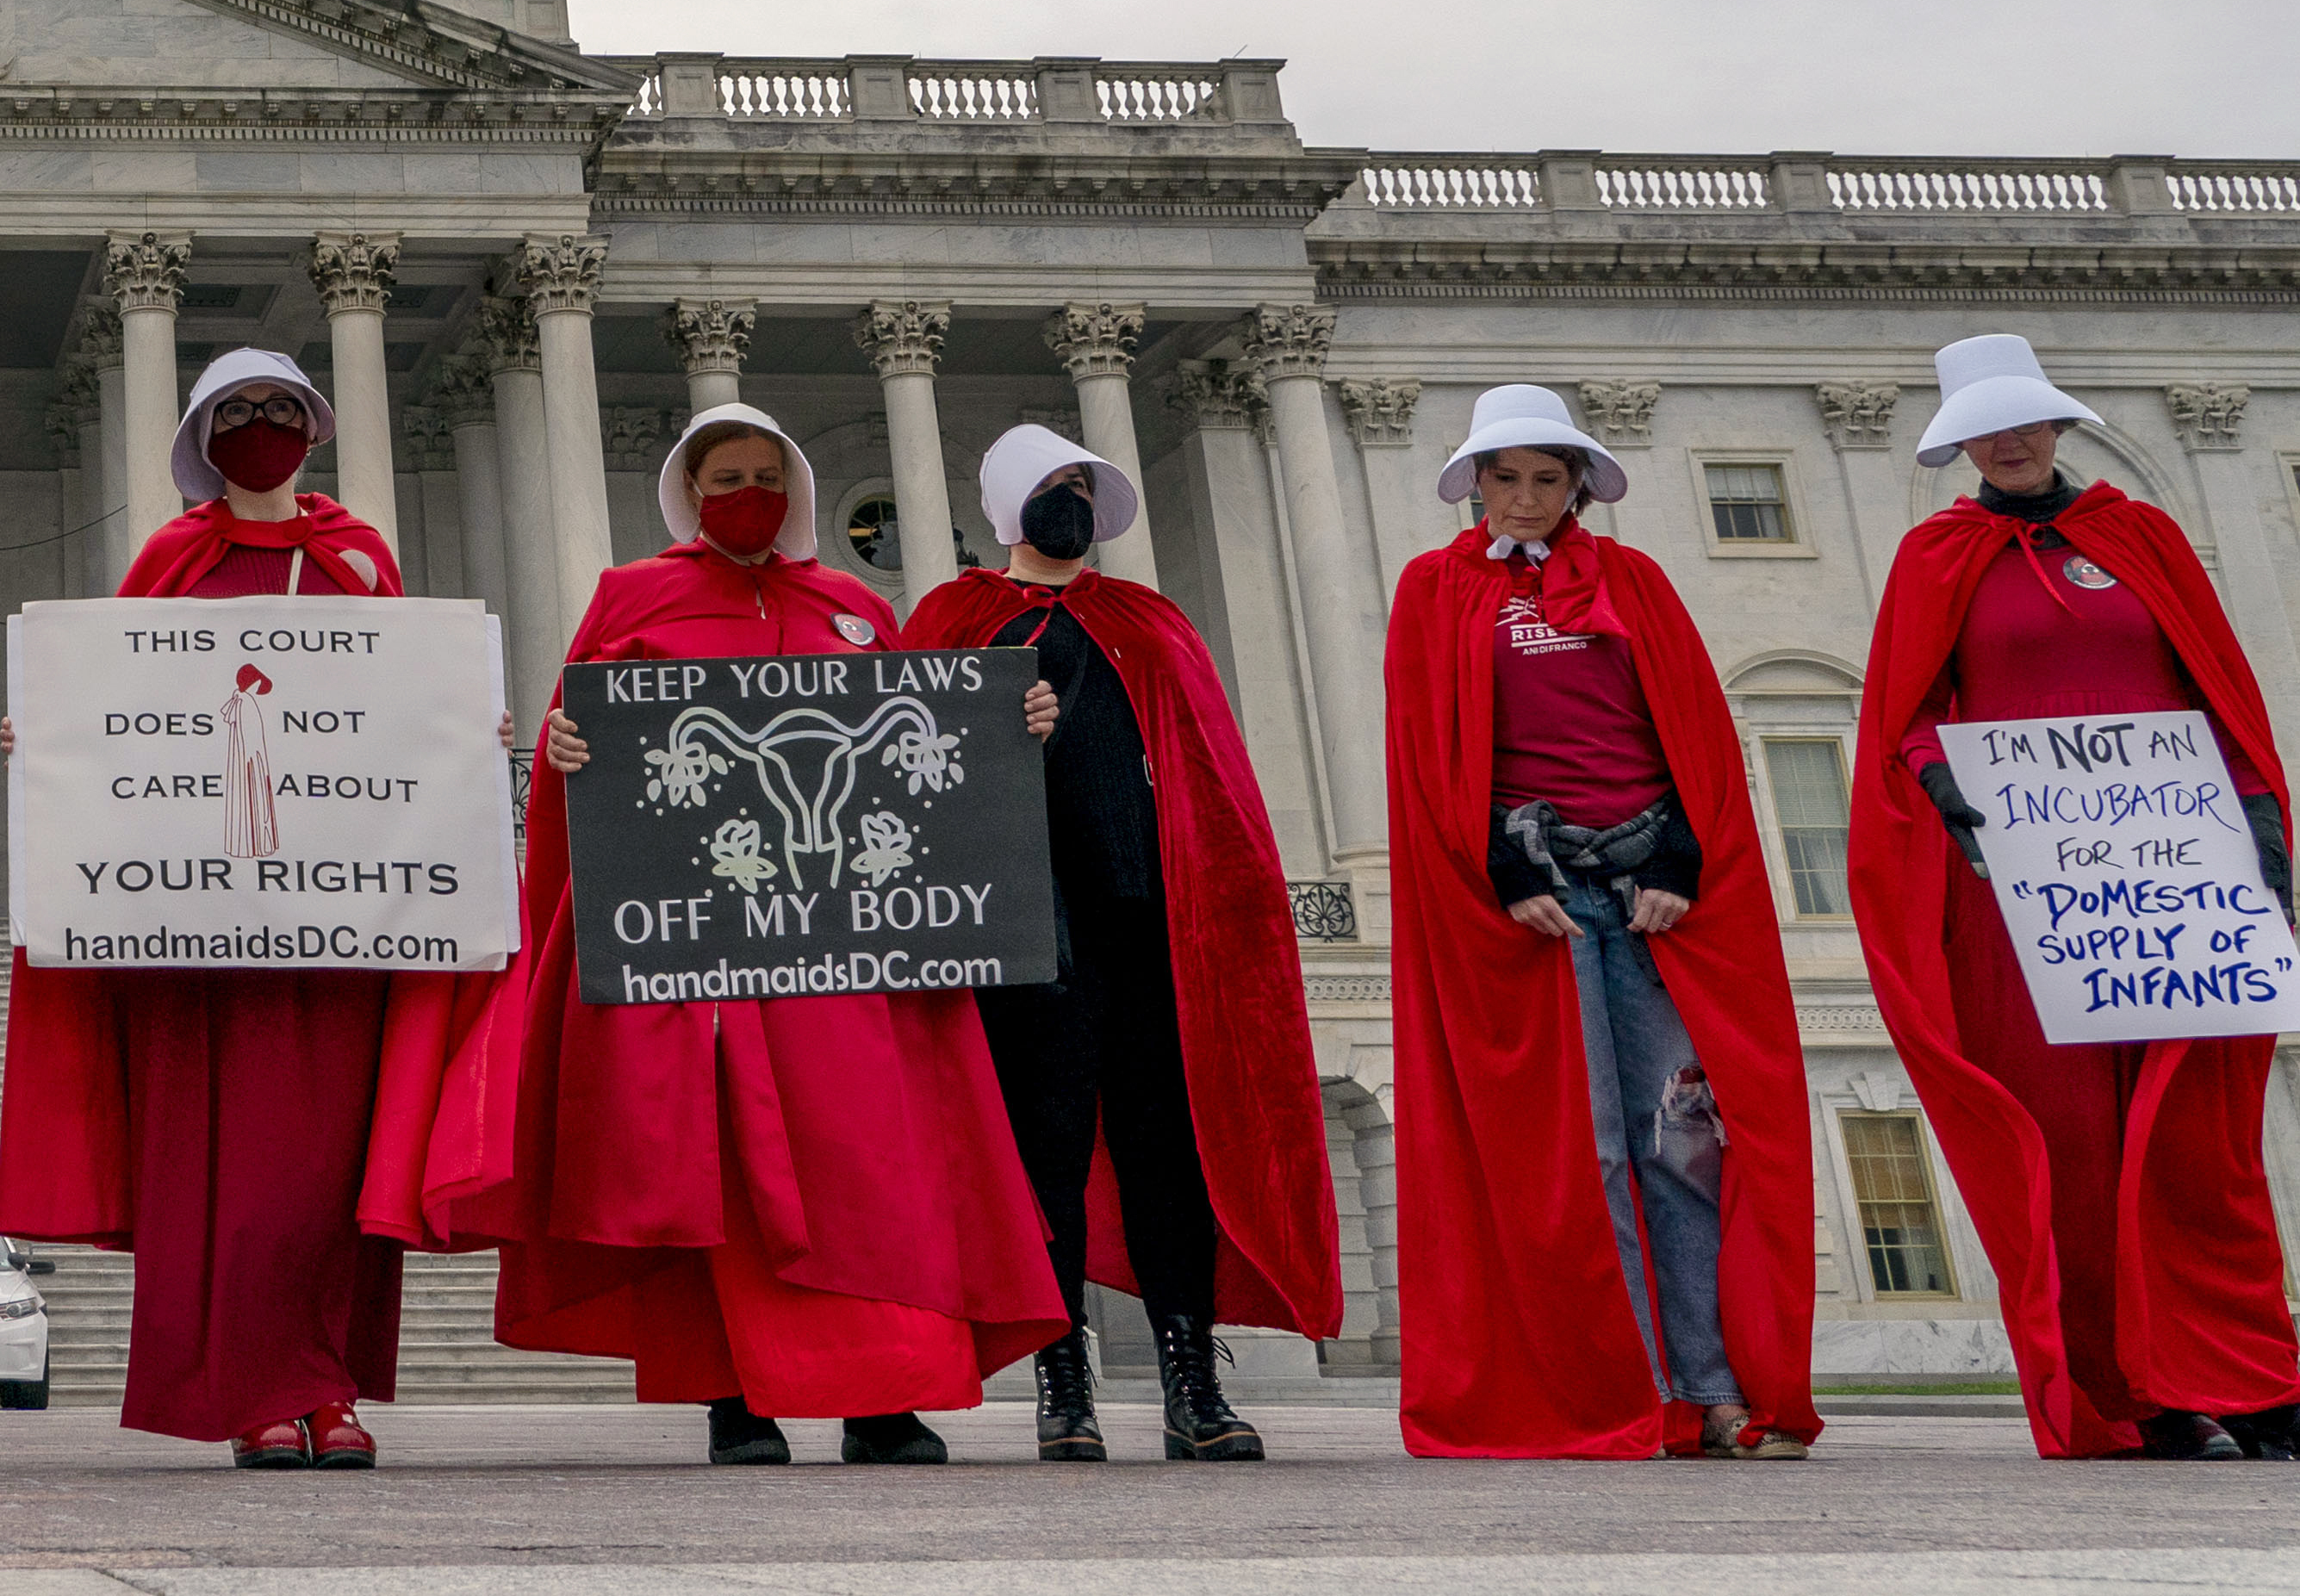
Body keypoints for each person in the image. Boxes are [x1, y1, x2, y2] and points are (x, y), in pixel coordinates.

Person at [390, 405, 1060, 1466]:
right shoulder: (633, 597)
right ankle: (735, 1393)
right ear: (689, 495)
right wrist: (567, 741)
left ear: (790, 489)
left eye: (763, 473)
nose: (746, 491)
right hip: (713, 959)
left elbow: (925, 753)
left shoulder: (851, 603)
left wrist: (1010, 730)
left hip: (850, 961)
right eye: (723, 477)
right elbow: (593, 747)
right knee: (730, 1180)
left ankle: (882, 1396)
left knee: (872, 1173)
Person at [0, 347, 479, 1466]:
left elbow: (406, 708)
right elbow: (113, 704)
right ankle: (252, 1389)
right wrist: (52, 737)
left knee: (324, 1164)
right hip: (197, 924)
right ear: (203, 437)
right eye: (236, 412)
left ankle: (326, 1386)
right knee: (215, 1167)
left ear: (310, 428)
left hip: (337, 915)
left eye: (278, 409)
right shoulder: (172, 558)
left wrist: (465, 737)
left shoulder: (359, 559)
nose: (259, 426)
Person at [1853, 335, 2300, 1459]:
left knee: (2207, 1146)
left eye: (2023, 420)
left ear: (2055, 425)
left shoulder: (2137, 536)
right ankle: (2135, 1398)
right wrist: (1938, 776)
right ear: (1960, 442)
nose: (2005, 441)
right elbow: (1901, 715)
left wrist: (2255, 826)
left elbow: (2218, 690)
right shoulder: (1934, 555)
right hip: (2025, 900)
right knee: (2073, 1150)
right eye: (1983, 428)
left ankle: (2251, 1378)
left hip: (2174, 880)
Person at [1385, 384, 1819, 1459]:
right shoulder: (1434, 590)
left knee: (1678, 1136)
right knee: (1584, 1149)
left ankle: (1712, 1379)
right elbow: (1425, 749)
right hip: (1537, 894)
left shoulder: (1632, 581)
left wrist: (1679, 850)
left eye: (1546, 478)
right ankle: (1631, 1383)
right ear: (1474, 484)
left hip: (1647, 884)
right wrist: (1495, 864)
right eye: (1505, 478)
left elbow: (1693, 726)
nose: (1525, 499)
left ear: (1578, 484)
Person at [904, 426, 1340, 1462]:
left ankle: (1193, 1379)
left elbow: (1208, 774)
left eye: (1081, 487)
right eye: (1052, 487)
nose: (1070, 503)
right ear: (1010, 501)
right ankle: (1065, 1384)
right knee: (1045, 1157)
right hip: (1024, 930)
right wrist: (998, 727)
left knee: (1166, 1154)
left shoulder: (1148, 620)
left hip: (1150, 917)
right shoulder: (951, 619)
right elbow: (902, 764)